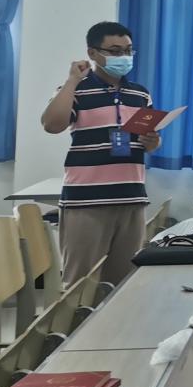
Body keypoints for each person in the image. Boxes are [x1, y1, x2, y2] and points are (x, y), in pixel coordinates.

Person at [40, 22, 160, 286]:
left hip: (131, 198)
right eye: (115, 51)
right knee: (80, 283)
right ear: (92, 53)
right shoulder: (76, 90)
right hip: (86, 201)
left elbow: (149, 143)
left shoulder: (140, 94)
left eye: (128, 50)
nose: (123, 57)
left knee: (124, 283)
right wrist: (72, 80)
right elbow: (52, 125)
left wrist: (153, 141)